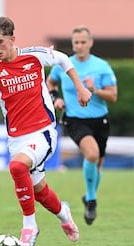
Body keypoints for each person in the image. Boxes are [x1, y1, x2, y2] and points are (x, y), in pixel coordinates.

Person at [0, 16, 91, 246]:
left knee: (17, 167)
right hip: (16, 138)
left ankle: (29, 225)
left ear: (12, 39)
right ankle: (63, 213)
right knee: (38, 191)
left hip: (43, 131)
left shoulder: (34, 55)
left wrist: (80, 88)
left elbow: (63, 59)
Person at [46, 25, 118, 225]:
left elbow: (113, 96)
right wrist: (56, 98)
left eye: (83, 42)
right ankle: (92, 201)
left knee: (97, 165)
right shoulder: (63, 65)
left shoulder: (102, 66)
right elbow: (49, 83)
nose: (79, 46)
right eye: (75, 42)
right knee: (92, 154)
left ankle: (89, 195)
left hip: (100, 120)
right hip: (76, 119)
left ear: (90, 43)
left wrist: (95, 90)